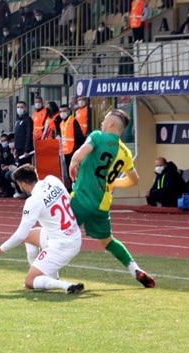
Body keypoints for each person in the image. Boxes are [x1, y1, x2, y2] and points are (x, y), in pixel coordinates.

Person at [69, 109, 155, 288]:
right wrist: (114, 182)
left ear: (112, 123)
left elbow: (81, 152)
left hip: (82, 197)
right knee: (107, 241)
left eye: (104, 119)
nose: (102, 122)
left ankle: (47, 273)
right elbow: (134, 180)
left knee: (57, 231)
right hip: (102, 204)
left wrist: (73, 162)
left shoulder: (98, 136)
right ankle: (134, 269)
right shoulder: (125, 152)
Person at [0, 164, 84, 294]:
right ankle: (47, 275)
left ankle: (65, 285)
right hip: (74, 235)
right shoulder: (53, 180)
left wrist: (1, 249)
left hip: (62, 246)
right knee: (30, 236)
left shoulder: (33, 201)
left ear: (23, 185)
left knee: (29, 281)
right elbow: (68, 200)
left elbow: (20, 235)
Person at [13, 101, 34, 166]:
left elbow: (28, 135)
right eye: (18, 107)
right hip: (18, 149)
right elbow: (17, 135)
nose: (19, 109)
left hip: (24, 149)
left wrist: (27, 150)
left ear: (25, 108)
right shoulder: (18, 121)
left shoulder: (28, 120)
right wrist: (15, 148)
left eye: (22, 107)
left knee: (25, 168)